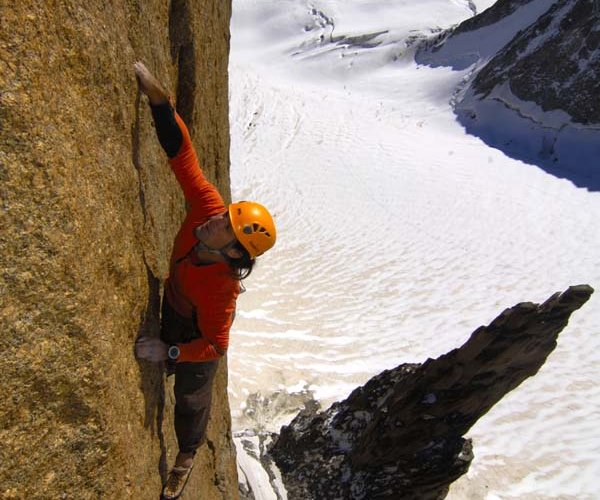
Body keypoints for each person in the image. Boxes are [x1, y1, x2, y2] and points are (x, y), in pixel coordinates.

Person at [133, 61, 276, 500]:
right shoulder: (208, 209)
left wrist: (171, 350)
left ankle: (186, 458)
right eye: (223, 215)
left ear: (234, 251)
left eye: (224, 226)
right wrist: (161, 103)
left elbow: (214, 345)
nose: (214, 218)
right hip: (177, 305)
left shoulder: (222, 291)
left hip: (198, 333)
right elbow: (183, 158)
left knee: (192, 402)